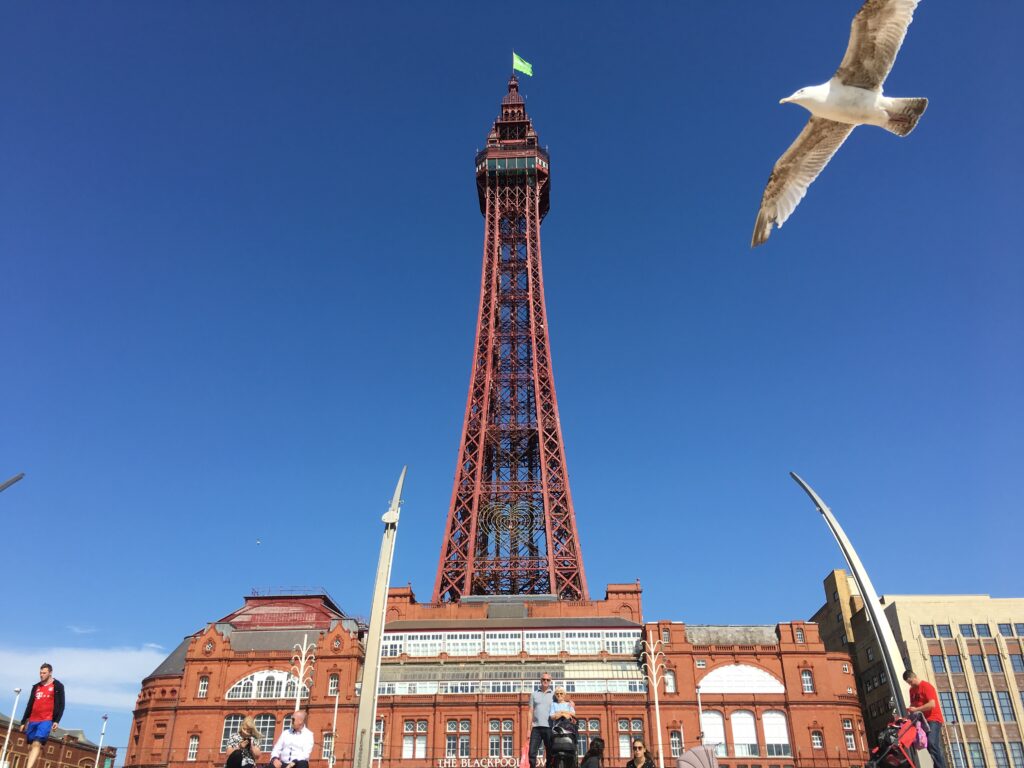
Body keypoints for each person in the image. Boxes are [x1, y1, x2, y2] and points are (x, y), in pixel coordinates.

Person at [19, 663, 65, 768]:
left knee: (37, 743)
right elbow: (30, 704)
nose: (41, 675)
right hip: (33, 719)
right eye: (40, 673)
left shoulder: (58, 686)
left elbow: (61, 705)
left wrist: (56, 721)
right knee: (30, 746)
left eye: (44, 673)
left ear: (50, 673)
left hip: (46, 720)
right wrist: (23, 721)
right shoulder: (36, 687)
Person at [904, 670, 946, 768]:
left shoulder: (926, 687)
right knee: (927, 744)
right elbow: (914, 704)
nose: (910, 684)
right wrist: (910, 709)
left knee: (932, 742)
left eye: (910, 682)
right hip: (922, 721)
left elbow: (932, 704)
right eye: (908, 683)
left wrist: (917, 709)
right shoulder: (912, 690)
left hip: (933, 719)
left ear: (914, 677)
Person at [528, 673, 555, 768]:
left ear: (550, 682)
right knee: (531, 752)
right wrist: (528, 729)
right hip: (536, 728)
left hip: (549, 727)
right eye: (544, 679)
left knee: (550, 753)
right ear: (540, 680)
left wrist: (571, 703)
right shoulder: (534, 694)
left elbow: (562, 702)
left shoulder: (554, 695)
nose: (545, 681)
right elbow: (530, 712)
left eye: (548, 680)